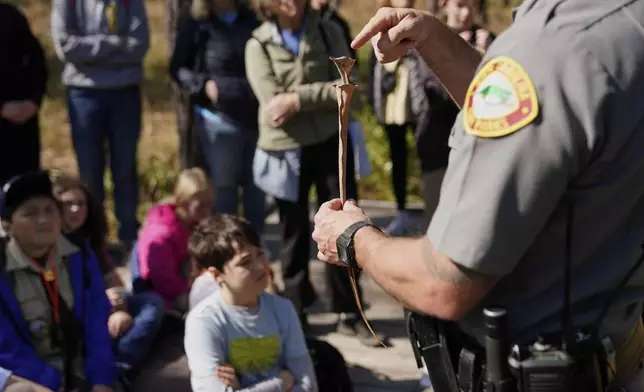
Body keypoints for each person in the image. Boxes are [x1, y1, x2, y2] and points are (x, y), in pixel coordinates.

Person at [312, 1, 644, 389]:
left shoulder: (549, 48)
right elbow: (548, 125)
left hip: (537, 370)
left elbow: (444, 283)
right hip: (615, 350)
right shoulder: (622, 24)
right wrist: (435, 40)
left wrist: (354, 239)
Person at [246, 0, 383, 346]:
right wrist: (312, 95)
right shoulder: (257, 44)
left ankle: (349, 311)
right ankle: (298, 314)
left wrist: (295, 99)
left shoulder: (329, 30)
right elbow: (270, 101)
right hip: (284, 149)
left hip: (329, 142)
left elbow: (345, 85)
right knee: (292, 234)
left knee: (345, 225)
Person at [0, 171, 118, 391]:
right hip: (29, 378)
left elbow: (96, 320)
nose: (44, 220)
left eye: (50, 210)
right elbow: (6, 348)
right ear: (7, 225)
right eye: (30, 213)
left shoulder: (78, 252)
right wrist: (52, 383)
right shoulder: (2, 264)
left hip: (79, 370)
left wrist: (100, 379)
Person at [51, 0, 150, 251]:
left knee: (125, 169)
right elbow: (66, 46)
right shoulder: (69, 3)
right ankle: (94, 241)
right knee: (89, 173)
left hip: (125, 94)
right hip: (83, 95)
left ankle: (129, 238)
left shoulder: (130, 2)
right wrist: (114, 44)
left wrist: (92, 48)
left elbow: (139, 45)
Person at [184, 214, 317, 391]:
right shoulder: (203, 322)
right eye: (245, 262)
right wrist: (279, 384)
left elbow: (308, 386)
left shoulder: (283, 309)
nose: (261, 266)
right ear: (216, 274)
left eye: (260, 254)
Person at [170, 0, 265, 235]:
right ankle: (226, 246)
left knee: (257, 190)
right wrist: (202, 86)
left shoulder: (253, 23)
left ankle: (255, 247)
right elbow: (177, 67)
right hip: (218, 121)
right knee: (224, 190)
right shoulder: (198, 25)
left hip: (257, 117)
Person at [52, 175, 165, 374]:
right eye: (68, 204)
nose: (76, 209)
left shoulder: (91, 240)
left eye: (81, 203)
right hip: (75, 313)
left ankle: (121, 363)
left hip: (104, 306)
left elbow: (112, 278)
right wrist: (103, 302)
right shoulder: (51, 243)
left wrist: (119, 306)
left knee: (152, 303)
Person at [134, 167, 214, 314]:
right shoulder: (161, 234)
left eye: (210, 204)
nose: (208, 212)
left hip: (181, 285)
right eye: (201, 206)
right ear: (183, 202)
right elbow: (162, 279)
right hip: (158, 292)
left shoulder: (193, 222)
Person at [0, 2, 48, 187]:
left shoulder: (11, 16)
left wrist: (34, 101)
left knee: (25, 191)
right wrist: (2, 108)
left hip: (23, 125)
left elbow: (38, 63)